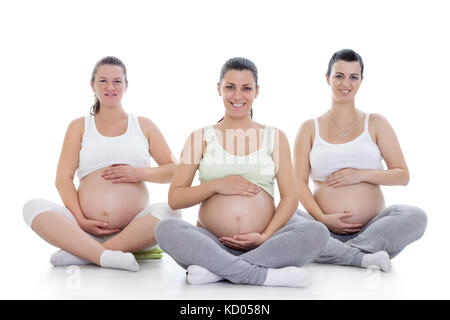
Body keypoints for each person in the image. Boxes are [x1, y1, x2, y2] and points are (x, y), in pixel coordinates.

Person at [155, 57, 329, 287]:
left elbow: (290, 198)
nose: (238, 96)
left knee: (317, 232)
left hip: (264, 242)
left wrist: (265, 236)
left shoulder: (276, 137)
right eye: (230, 87)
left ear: (257, 91)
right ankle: (262, 275)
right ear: (219, 89)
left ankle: (218, 271)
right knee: (165, 228)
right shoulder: (198, 138)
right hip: (212, 241)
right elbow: (175, 198)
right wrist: (216, 185)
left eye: (246, 88)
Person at [23, 56, 181, 272]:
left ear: (126, 85)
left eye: (117, 81)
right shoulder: (79, 126)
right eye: (103, 81)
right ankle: (102, 253)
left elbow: (174, 170)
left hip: (134, 229)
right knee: (32, 207)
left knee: (171, 213)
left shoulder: (143, 125)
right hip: (84, 228)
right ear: (92, 85)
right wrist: (81, 219)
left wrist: (137, 174)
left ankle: (89, 254)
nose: (110, 87)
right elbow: (63, 179)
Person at [293, 49, 427, 271]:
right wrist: (323, 218)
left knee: (415, 216)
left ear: (361, 81)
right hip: (322, 227)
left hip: (372, 228)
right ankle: (361, 256)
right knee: (283, 217)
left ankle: (332, 252)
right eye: (339, 76)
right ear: (327, 78)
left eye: (353, 77)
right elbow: (298, 184)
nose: (346, 83)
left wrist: (360, 175)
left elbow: (402, 175)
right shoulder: (309, 128)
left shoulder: (376, 123)